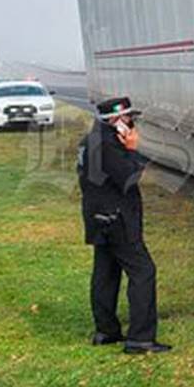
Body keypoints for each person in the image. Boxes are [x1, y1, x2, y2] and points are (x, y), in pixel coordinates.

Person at [77, 96, 171, 354]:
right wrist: (132, 149)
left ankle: (106, 331)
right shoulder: (109, 145)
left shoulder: (89, 140)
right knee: (144, 272)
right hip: (116, 218)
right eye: (130, 119)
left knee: (105, 274)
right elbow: (128, 179)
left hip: (97, 216)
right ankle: (140, 339)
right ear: (118, 121)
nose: (133, 124)